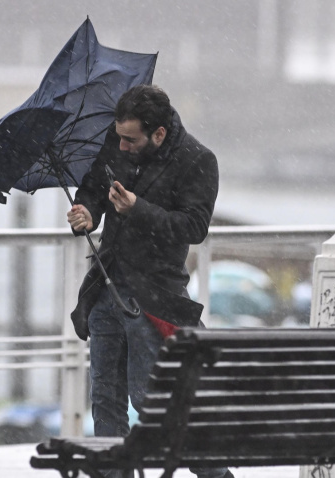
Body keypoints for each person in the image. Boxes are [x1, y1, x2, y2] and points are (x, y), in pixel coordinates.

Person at [66, 85, 232, 478]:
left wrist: (138, 209)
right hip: (107, 287)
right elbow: (94, 187)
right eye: (119, 137)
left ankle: (215, 474)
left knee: (152, 401)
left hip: (155, 295)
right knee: (105, 400)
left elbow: (193, 227)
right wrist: (87, 211)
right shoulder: (118, 140)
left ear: (158, 133)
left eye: (130, 140)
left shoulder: (197, 159)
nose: (121, 146)